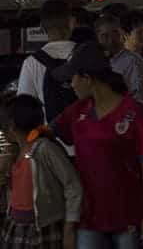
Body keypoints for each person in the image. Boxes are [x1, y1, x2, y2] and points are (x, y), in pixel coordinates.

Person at [51, 42, 143, 249]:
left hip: (128, 215)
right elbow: (44, 136)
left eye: (73, 78)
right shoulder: (76, 112)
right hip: (88, 218)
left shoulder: (132, 112)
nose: (71, 85)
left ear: (88, 79)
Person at [1, 94, 82, 249]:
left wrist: (69, 226)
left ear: (12, 124)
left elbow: (73, 186)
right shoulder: (16, 151)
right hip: (16, 225)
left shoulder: (45, 149)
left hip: (42, 228)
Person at [17, 0, 77, 124]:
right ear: (72, 23)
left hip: (51, 138)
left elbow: (24, 109)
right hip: (87, 138)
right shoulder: (88, 56)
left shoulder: (31, 63)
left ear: (41, 27)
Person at [93, 14, 143, 109]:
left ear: (122, 33)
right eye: (105, 36)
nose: (111, 40)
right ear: (97, 38)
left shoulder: (132, 61)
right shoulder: (95, 61)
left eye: (115, 33)